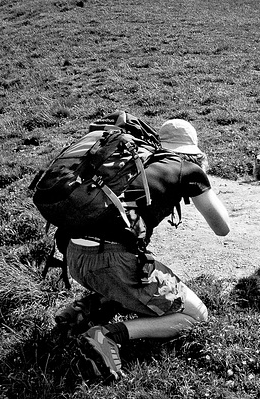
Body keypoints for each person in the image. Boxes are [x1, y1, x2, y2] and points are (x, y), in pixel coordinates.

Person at [56, 119, 230, 381]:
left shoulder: (128, 161)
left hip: (73, 256)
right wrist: (201, 184)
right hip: (114, 263)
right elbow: (222, 228)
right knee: (197, 315)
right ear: (192, 150)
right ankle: (108, 335)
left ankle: (85, 310)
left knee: (133, 269)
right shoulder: (186, 169)